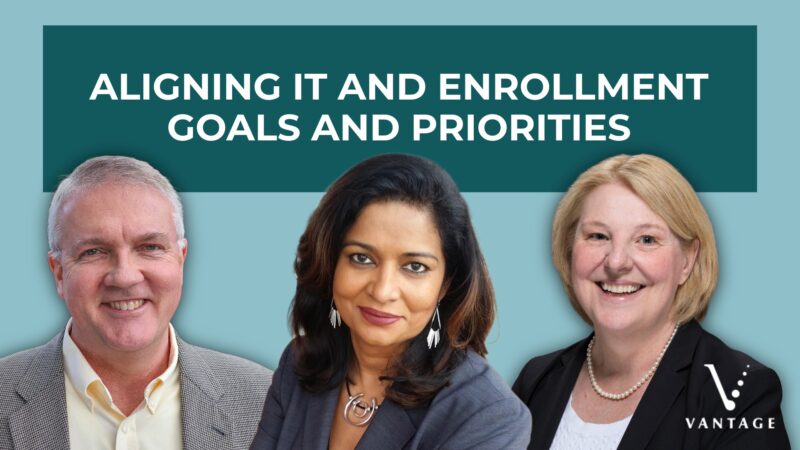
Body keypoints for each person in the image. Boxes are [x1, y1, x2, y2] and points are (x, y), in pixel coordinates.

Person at [250, 154, 530, 449]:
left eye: (414, 267)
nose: (383, 291)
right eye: (361, 258)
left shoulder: (489, 415)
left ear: (446, 284)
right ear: (330, 264)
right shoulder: (299, 364)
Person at [513, 154, 790, 449]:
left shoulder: (739, 390)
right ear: (569, 250)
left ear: (687, 259)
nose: (616, 262)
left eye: (646, 239)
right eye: (598, 236)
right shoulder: (538, 380)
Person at [0, 156, 272, 450]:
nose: (125, 277)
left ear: (181, 259)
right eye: (94, 251)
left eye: (150, 247)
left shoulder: (264, 401)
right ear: (59, 272)